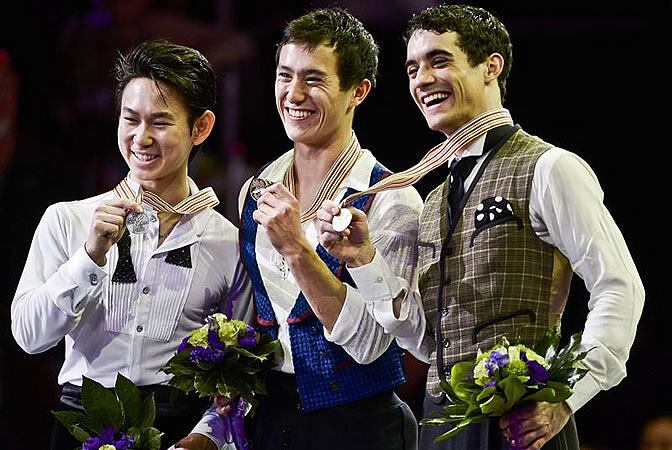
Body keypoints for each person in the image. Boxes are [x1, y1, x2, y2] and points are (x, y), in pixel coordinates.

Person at [319, 4, 644, 450]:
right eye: (413, 69)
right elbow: (427, 341)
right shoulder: (433, 200)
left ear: (491, 67)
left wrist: (568, 396)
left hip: (522, 425)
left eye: (439, 61)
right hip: (441, 424)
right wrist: (365, 261)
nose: (422, 80)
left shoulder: (550, 167)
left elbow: (619, 285)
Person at [11, 39, 251, 450]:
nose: (141, 137)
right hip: (82, 426)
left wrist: (207, 437)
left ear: (201, 127)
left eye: (159, 122)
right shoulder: (67, 219)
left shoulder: (228, 242)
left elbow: (241, 370)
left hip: (178, 431)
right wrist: (88, 258)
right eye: (130, 119)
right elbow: (30, 336)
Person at [237, 8, 425, 450]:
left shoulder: (393, 200)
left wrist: (298, 252)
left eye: (314, 80)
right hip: (270, 419)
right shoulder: (255, 189)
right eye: (285, 76)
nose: (294, 94)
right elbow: (252, 311)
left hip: (358, 426)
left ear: (357, 91)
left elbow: (371, 346)